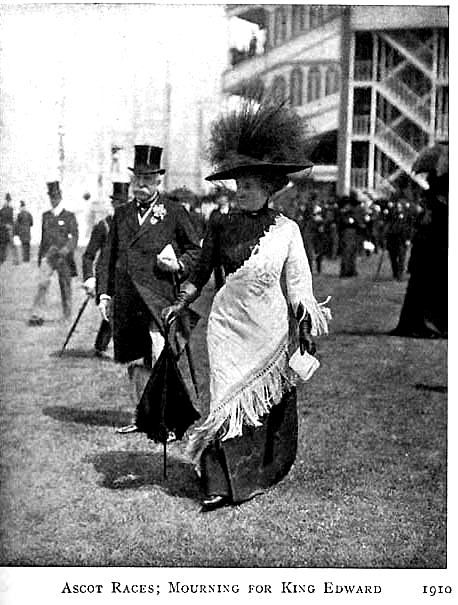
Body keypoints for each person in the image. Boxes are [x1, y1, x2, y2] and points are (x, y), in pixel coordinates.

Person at [162, 96, 331, 512]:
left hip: (268, 331)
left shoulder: (288, 231)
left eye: (251, 187)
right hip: (226, 328)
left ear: (270, 189)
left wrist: (305, 328)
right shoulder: (219, 222)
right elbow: (201, 271)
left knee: (257, 405)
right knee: (224, 398)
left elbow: (299, 287)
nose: (241, 193)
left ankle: (252, 474)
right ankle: (219, 482)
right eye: (238, 186)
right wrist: (183, 299)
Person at [97, 145, 201, 434]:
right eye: (137, 179)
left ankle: (165, 419)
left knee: (158, 356)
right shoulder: (122, 214)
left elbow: (196, 251)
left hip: (157, 298)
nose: (141, 185)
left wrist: (178, 265)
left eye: (147, 179)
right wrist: (105, 294)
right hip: (127, 298)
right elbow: (108, 255)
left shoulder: (174, 212)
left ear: (158, 181)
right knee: (133, 358)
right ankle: (141, 416)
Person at [390, 146, 448, 338]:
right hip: (433, 247)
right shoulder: (437, 198)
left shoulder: (432, 197)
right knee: (429, 286)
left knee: (422, 287)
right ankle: (424, 324)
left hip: (429, 247)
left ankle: (423, 323)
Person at [82, 182, 129, 357]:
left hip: (127, 277)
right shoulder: (103, 226)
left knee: (119, 314)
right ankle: (103, 347)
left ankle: (102, 346)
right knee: (113, 312)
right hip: (107, 279)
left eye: (125, 203)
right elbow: (88, 255)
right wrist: (89, 278)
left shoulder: (133, 227)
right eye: (118, 203)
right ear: (113, 204)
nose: (121, 207)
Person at [28, 182, 78, 325]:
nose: (53, 199)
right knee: (42, 284)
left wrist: (67, 249)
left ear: (60, 197)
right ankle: (37, 315)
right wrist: (41, 258)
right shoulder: (46, 216)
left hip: (64, 257)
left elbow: (74, 236)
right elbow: (44, 239)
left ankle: (67, 316)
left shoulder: (69, 216)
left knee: (65, 286)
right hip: (48, 256)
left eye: (56, 196)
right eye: (51, 197)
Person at [338, 194, 364, 278]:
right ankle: (346, 271)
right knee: (347, 252)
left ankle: (351, 270)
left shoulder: (351, 211)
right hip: (348, 231)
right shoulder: (346, 211)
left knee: (352, 252)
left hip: (353, 232)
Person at [0, 193, 19, 265]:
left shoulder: (12, 210)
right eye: (7, 200)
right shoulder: (1, 210)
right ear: (5, 201)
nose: (8, 202)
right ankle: (1, 260)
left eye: (9, 200)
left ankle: (16, 260)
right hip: (3, 230)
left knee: (12, 245)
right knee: (2, 246)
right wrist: (5, 225)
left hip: (10, 230)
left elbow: (14, 220)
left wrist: (12, 227)